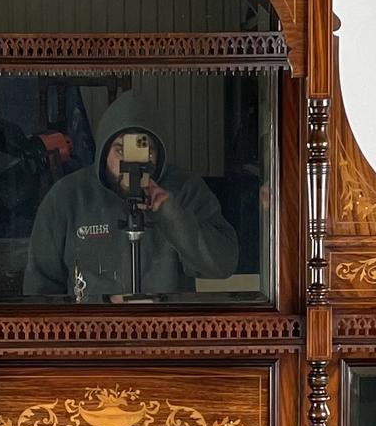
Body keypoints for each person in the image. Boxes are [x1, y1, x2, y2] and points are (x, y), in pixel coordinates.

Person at [21, 91, 239, 301]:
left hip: (166, 331)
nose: (131, 163)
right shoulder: (67, 197)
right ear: (104, 151)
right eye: (120, 150)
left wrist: (172, 216)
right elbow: (39, 289)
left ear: (158, 152)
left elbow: (221, 266)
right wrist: (102, 305)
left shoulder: (184, 190)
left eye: (145, 150)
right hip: (91, 332)